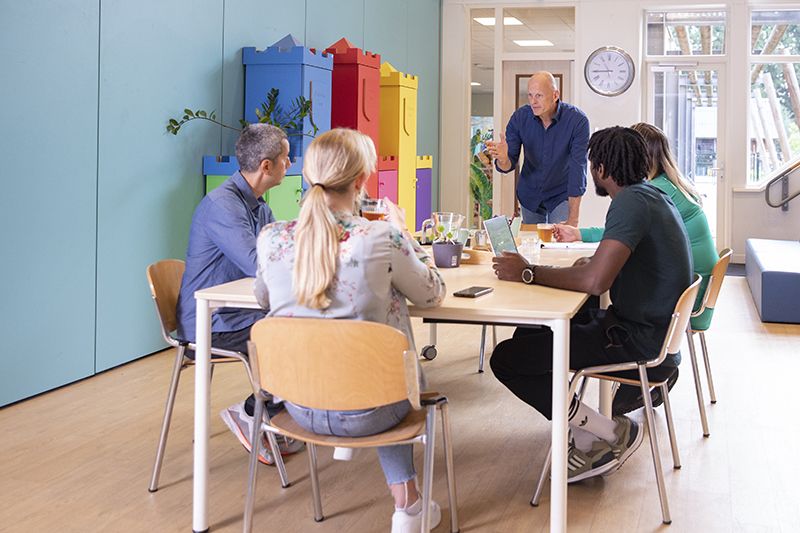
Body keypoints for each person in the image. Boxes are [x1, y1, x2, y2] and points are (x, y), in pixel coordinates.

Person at [254, 128, 446, 533]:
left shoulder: (272, 239)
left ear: (307, 176)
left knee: (361, 346)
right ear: (361, 180)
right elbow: (431, 293)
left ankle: (406, 503)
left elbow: (263, 298)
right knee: (387, 359)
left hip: (299, 406)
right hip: (374, 410)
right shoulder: (380, 236)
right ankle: (407, 508)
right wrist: (405, 234)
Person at [490, 126, 693, 483]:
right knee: (531, 333)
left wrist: (528, 273)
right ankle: (585, 430)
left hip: (638, 342)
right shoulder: (650, 197)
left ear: (600, 168)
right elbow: (604, 268)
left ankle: (608, 430)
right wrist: (581, 267)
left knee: (507, 359)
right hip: (654, 337)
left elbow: (597, 282)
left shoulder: (630, 202)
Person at [553, 122, 718, 415]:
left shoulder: (642, 196)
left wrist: (531, 273)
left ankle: (595, 427)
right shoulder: (664, 190)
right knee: (578, 312)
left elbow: (600, 275)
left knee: (522, 351)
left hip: (657, 331)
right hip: (674, 317)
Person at [176, 123, 302, 465]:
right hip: (212, 323)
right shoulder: (223, 205)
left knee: (309, 326)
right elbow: (257, 263)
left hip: (241, 311)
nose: (289, 165)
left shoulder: (259, 206)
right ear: (266, 165)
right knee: (297, 336)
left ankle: (270, 416)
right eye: (286, 159)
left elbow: (278, 253)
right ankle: (251, 413)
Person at [486, 71, 590, 226]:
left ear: (555, 95)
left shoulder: (577, 121)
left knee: (559, 244)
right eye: (530, 95)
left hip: (561, 194)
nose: (533, 101)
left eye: (539, 96)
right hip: (530, 194)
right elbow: (507, 166)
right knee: (532, 243)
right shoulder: (520, 118)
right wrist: (503, 158)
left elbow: (578, 170)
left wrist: (573, 219)